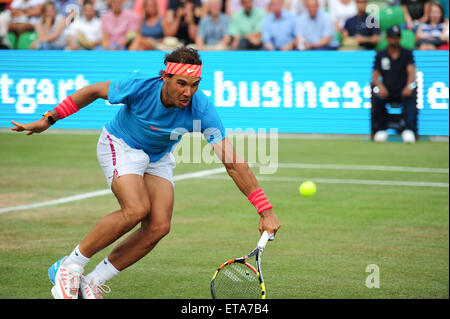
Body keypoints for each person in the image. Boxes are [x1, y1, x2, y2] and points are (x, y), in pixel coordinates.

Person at [10, 47, 281, 299]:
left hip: (157, 156)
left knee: (159, 226)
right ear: (165, 77)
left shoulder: (202, 109)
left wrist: (265, 210)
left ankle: (92, 281)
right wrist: (49, 119)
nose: (188, 92)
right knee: (136, 208)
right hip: (120, 144)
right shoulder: (140, 85)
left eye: (195, 85)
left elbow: (232, 162)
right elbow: (93, 91)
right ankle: (70, 266)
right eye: (182, 83)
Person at [371, 25, 418, 143]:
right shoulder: (381, 54)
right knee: (377, 99)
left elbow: (411, 71)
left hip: (403, 90)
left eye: (397, 37)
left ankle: (408, 129)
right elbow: (375, 75)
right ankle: (381, 129)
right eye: (392, 37)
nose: (394, 40)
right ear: (387, 38)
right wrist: (380, 87)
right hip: (387, 90)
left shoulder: (407, 53)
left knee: (411, 99)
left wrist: (408, 86)